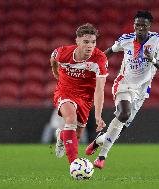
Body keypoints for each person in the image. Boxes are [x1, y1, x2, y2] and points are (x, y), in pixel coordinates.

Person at [85, 10, 159, 169]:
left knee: (120, 128)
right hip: (124, 84)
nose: (140, 28)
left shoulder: (157, 41)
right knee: (124, 113)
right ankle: (102, 157)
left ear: (149, 26)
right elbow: (109, 52)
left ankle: (99, 140)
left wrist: (152, 59)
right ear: (134, 25)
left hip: (142, 91)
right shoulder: (126, 39)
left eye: (144, 25)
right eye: (137, 25)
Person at [50, 23, 108, 164]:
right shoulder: (63, 53)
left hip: (85, 98)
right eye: (86, 42)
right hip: (65, 91)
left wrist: (98, 116)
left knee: (76, 136)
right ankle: (74, 164)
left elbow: (100, 90)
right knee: (70, 119)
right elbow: (53, 59)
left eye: (93, 42)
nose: (90, 45)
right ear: (77, 41)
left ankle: (61, 136)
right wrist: (56, 74)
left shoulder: (99, 59)